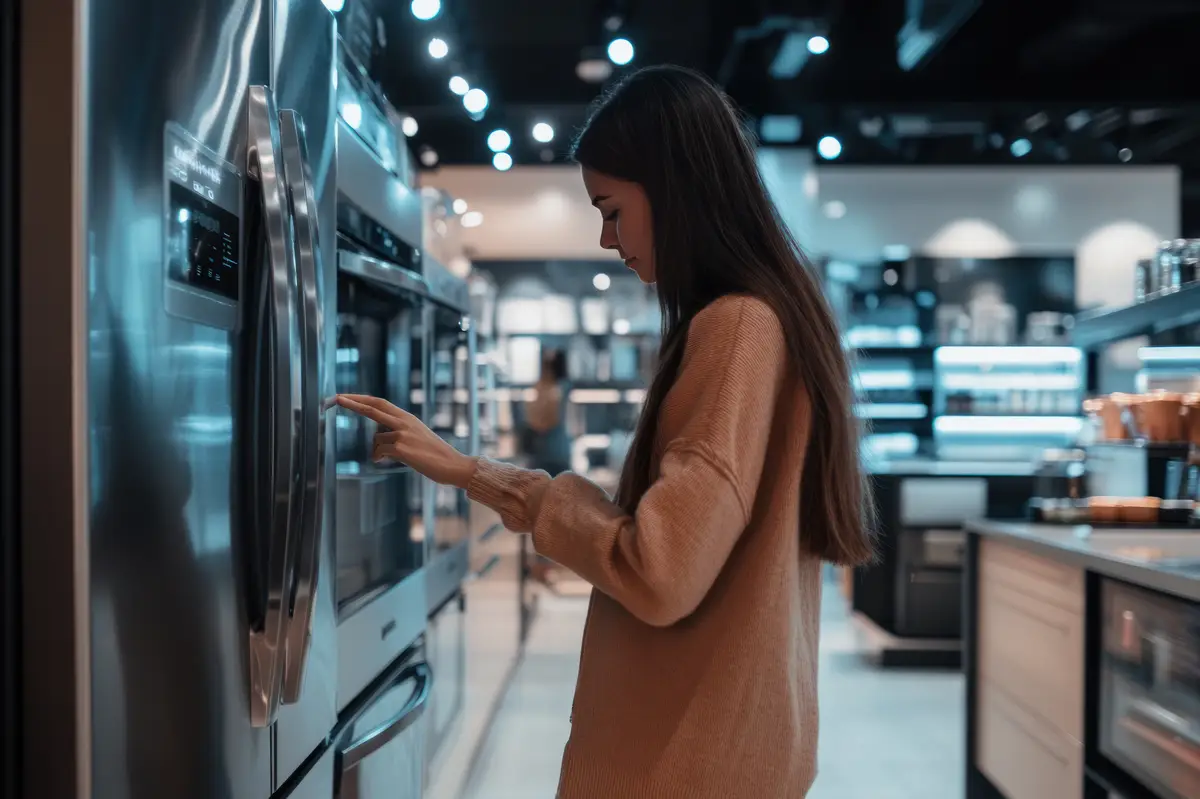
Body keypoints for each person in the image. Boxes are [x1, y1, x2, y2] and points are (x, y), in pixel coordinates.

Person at [337, 64, 876, 799]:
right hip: (727, 747)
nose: (605, 236)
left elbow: (659, 570)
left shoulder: (738, 327)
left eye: (613, 208)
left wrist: (476, 474)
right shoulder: (770, 318)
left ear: (677, 187)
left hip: (684, 760)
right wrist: (469, 469)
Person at [523, 348, 571, 585]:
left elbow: (541, 421)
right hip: (550, 455)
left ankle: (546, 563)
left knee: (547, 512)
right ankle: (544, 563)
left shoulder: (555, 389)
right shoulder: (550, 388)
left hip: (552, 456)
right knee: (546, 512)